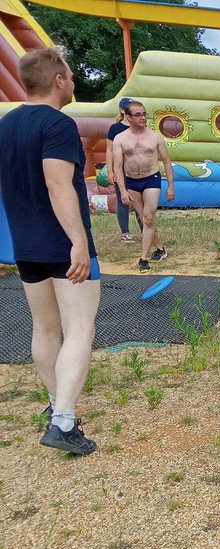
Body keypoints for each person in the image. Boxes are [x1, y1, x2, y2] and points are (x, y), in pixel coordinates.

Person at [0, 47, 100, 455]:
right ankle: (63, 422)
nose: (73, 83)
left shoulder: (6, 125)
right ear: (58, 80)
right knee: (79, 328)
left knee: (44, 328)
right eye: (71, 77)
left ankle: (56, 404)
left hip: (25, 243)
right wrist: (78, 242)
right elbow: (58, 185)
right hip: (61, 242)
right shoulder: (58, 124)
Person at [111, 101, 175, 274]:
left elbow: (167, 162)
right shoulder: (120, 138)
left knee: (148, 217)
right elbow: (117, 166)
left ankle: (143, 259)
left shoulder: (155, 137)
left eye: (144, 114)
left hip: (151, 180)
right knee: (145, 219)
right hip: (132, 181)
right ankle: (160, 249)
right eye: (138, 115)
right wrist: (122, 190)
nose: (143, 118)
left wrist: (170, 186)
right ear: (128, 117)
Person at [106, 97, 143, 243]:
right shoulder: (115, 128)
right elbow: (109, 150)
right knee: (123, 200)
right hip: (120, 169)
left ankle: (146, 230)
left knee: (140, 200)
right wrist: (110, 171)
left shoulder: (140, 127)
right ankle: (125, 233)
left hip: (137, 169)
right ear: (122, 110)